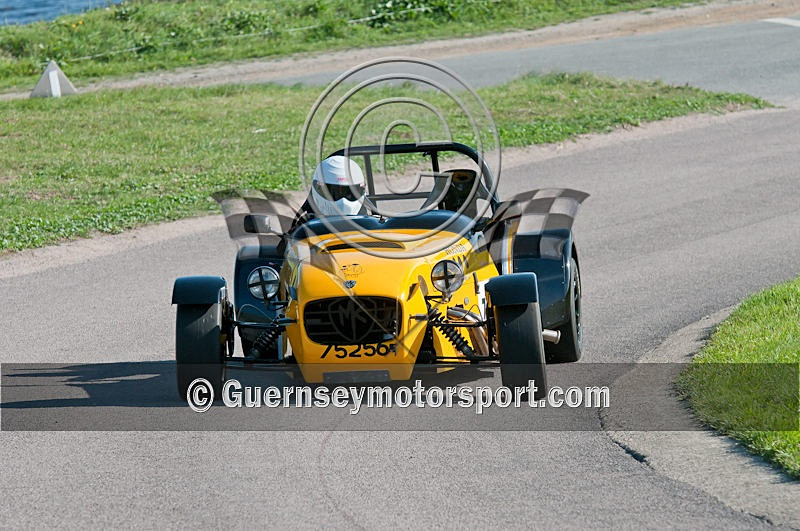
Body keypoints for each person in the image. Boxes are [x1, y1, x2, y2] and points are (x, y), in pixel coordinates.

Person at [290, 155, 367, 230]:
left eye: (349, 193)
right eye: (335, 192)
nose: (343, 202)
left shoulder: (369, 223)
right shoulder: (305, 227)